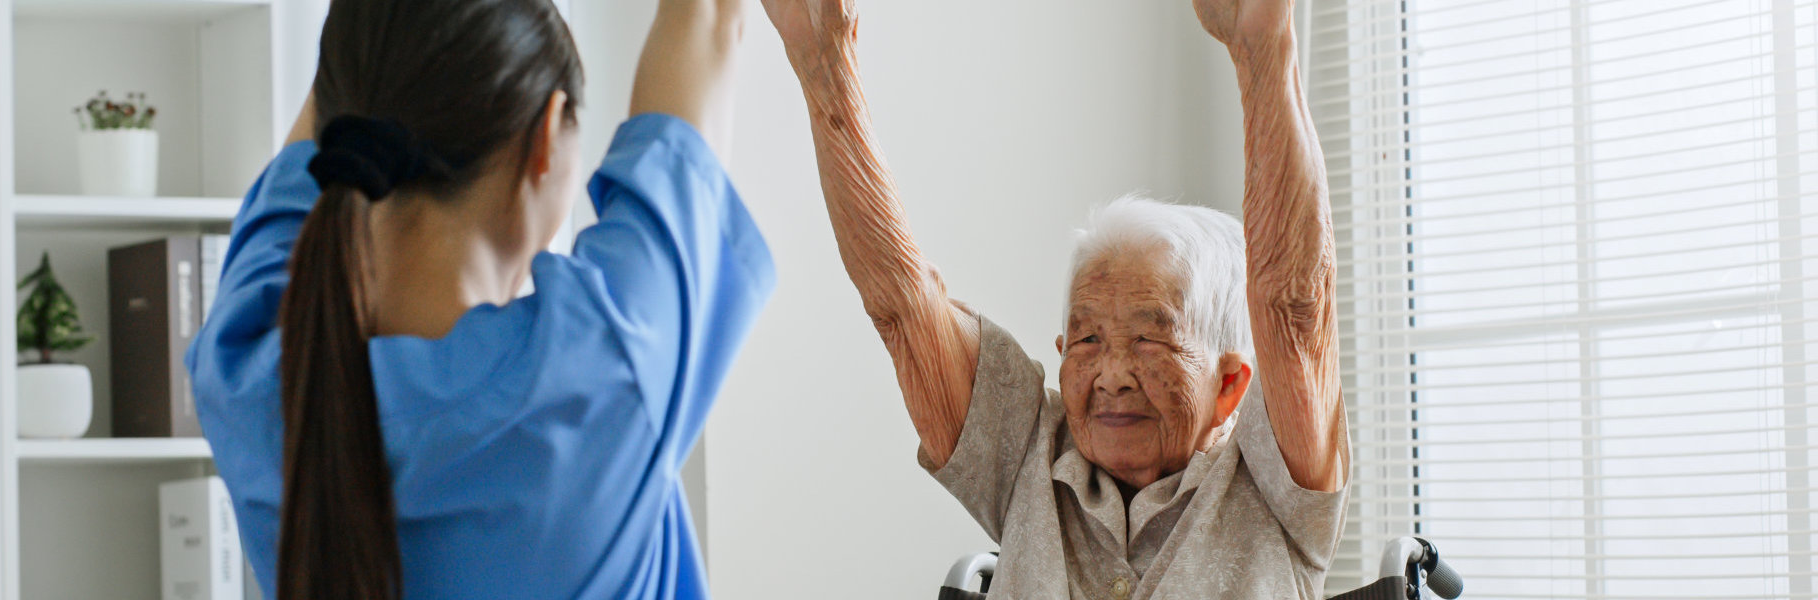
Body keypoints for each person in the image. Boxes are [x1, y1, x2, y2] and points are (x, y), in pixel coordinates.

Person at [757, 0, 1346, 597]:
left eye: (1148, 338)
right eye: (1088, 339)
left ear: (1228, 386)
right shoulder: (1026, 448)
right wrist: (825, 62)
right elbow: (902, 309)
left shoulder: (1276, 478)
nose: (1112, 375)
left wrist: (1264, 55)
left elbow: (1294, 311)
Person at [186, 0, 771, 597]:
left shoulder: (246, 371)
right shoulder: (602, 364)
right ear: (547, 134)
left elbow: (358, 81)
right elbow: (705, 23)